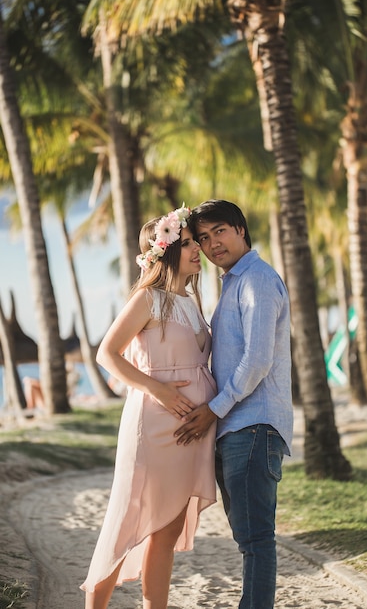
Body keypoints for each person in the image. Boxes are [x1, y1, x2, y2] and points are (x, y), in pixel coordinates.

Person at [81, 203, 217, 609]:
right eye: (189, 242)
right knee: (125, 520)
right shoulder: (148, 299)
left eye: (197, 242)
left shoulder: (193, 305)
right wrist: (159, 391)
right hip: (153, 425)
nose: (199, 249)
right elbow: (107, 354)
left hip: (191, 430)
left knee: (168, 528)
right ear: (166, 251)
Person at [174, 199, 293, 609]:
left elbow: (257, 360)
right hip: (236, 426)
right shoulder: (233, 283)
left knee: (257, 539)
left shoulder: (257, 279)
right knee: (249, 538)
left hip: (253, 425)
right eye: (203, 238)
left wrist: (214, 409)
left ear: (240, 229)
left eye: (219, 231)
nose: (212, 244)